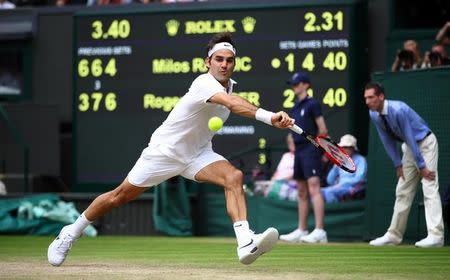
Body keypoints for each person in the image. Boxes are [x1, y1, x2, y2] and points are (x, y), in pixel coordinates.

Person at [47, 32, 295, 266]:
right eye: (218, 59)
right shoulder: (203, 83)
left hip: (198, 154)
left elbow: (233, 99)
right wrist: (270, 117)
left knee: (234, 177)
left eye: (229, 60)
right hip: (164, 152)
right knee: (118, 197)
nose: (224, 65)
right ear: (207, 62)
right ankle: (71, 232)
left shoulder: (230, 86)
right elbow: (232, 104)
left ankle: (244, 242)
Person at [364, 82, 444, 248]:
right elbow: (386, 139)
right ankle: (394, 235)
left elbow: (409, 136)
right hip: (409, 148)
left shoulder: (398, 110)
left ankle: (436, 236)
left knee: (429, 186)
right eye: (365, 98)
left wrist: (421, 166)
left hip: (425, 144)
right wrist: (397, 164)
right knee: (403, 190)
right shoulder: (373, 114)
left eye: (371, 97)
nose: (367, 101)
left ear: (381, 97)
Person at [279, 71, 328, 244]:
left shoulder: (313, 103)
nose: (294, 87)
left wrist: (319, 149)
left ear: (306, 84)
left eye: (297, 84)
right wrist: (290, 140)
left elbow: (322, 129)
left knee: (314, 187)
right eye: (293, 84)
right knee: (301, 191)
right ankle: (301, 229)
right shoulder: (294, 106)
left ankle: (320, 230)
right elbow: (292, 129)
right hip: (299, 151)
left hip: (311, 149)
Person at [321, 134, 367, 203]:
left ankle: (335, 212)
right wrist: (335, 168)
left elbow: (360, 178)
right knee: (318, 192)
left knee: (329, 192)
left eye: (347, 147)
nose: (345, 149)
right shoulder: (341, 160)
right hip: (338, 187)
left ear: (353, 148)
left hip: (352, 188)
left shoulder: (360, 160)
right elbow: (329, 181)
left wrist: (342, 184)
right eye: (343, 147)